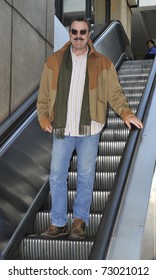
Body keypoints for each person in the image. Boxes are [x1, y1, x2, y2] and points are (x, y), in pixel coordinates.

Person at [37, 16, 143, 240]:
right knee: (56, 176)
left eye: (82, 32)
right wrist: (44, 118)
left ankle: (79, 222)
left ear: (89, 34)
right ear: (70, 34)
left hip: (90, 130)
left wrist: (126, 113)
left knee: (86, 176)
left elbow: (115, 94)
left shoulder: (102, 63)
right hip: (62, 129)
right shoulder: (54, 61)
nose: (78, 36)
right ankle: (58, 223)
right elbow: (44, 95)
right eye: (74, 32)